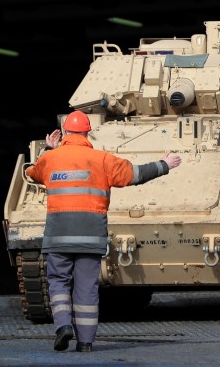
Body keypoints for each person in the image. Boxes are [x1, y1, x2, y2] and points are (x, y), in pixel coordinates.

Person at [25, 110, 182, 353]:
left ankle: (63, 326)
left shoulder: (51, 159)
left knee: (58, 282)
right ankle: (86, 343)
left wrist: (49, 149)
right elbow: (135, 175)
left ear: (65, 132)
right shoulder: (102, 159)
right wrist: (164, 165)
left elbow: (32, 173)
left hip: (58, 235)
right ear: (88, 132)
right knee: (86, 288)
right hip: (90, 235)